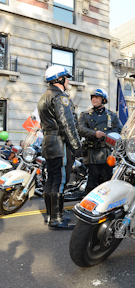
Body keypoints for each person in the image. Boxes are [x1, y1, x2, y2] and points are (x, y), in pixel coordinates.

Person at [38, 65, 81, 229]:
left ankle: (50, 216)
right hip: (59, 144)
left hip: (48, 142)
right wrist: (77, 148)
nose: (68, 80)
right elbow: (67, 124)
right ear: (59, 79)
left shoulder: (44, 96)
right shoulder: (60, 97)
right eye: (66, 77)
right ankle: (56, 219)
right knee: (60, 181)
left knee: (51, 180)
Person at [78, 88, 123, 197]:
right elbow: (80, 128)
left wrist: (107, 135)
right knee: (92, 179)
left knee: (106, 180)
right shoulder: (85, 115)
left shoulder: (112, 116)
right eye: (93, 97)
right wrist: (94, 133)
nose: (94, 99)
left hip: (106, 152)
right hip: (91, 152)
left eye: (97, 97)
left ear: (103, 100)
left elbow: (119, 129)